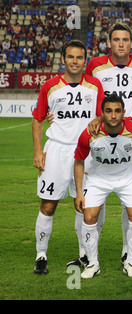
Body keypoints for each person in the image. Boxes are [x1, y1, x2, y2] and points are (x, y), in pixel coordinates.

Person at [70, 22, 132, 267]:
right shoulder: (95, 66)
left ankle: (129, 251)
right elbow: (87, 93)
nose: (121, 44)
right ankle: (85, 253)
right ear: (109, 43)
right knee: (95, 194)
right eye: (116, 39)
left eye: (125, 40)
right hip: (102, 135)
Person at [32, 40, 104, 274]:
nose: (75, 61)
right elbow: (38, 118)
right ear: (63, 59)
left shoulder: (94, 86)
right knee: (48, 204)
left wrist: (99, 119)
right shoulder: (50, 87)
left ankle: (84, 254)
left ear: (85, 60)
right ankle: (41, 254)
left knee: (84, 205)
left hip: (86, 152)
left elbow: (105, 114)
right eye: (71, 57)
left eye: (79, 57)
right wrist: (37, 151)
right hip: (57, 151)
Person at [74, 93, 132, 279]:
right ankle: (93, 263)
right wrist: (79, 192)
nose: (113, 115)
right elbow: (78, 160)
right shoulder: (90, 133)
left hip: (128, 178)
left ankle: (130, 261)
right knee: (89, 217)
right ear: (101, 113)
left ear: (124, 112)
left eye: (117, 111)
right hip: (98, 179)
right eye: (108, 111)